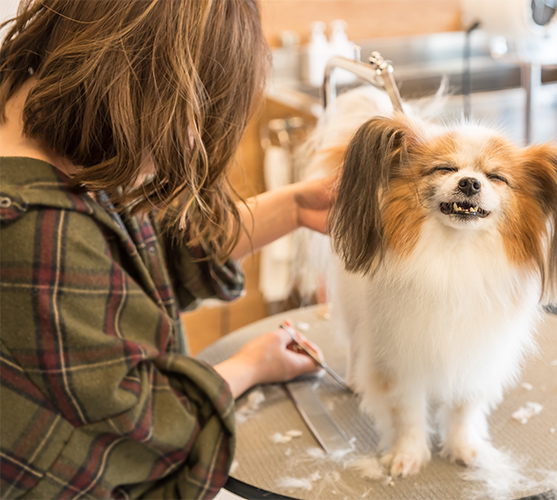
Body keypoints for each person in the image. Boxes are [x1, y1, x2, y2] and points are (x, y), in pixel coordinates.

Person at [0, 1, 335, 498]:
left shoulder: (49, 124)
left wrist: (292, 208)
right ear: (152, 93)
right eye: (195, 122)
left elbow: (147, 254)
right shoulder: (33, 228)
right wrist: (250, 366)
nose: (186, 143)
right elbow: (146, 428)